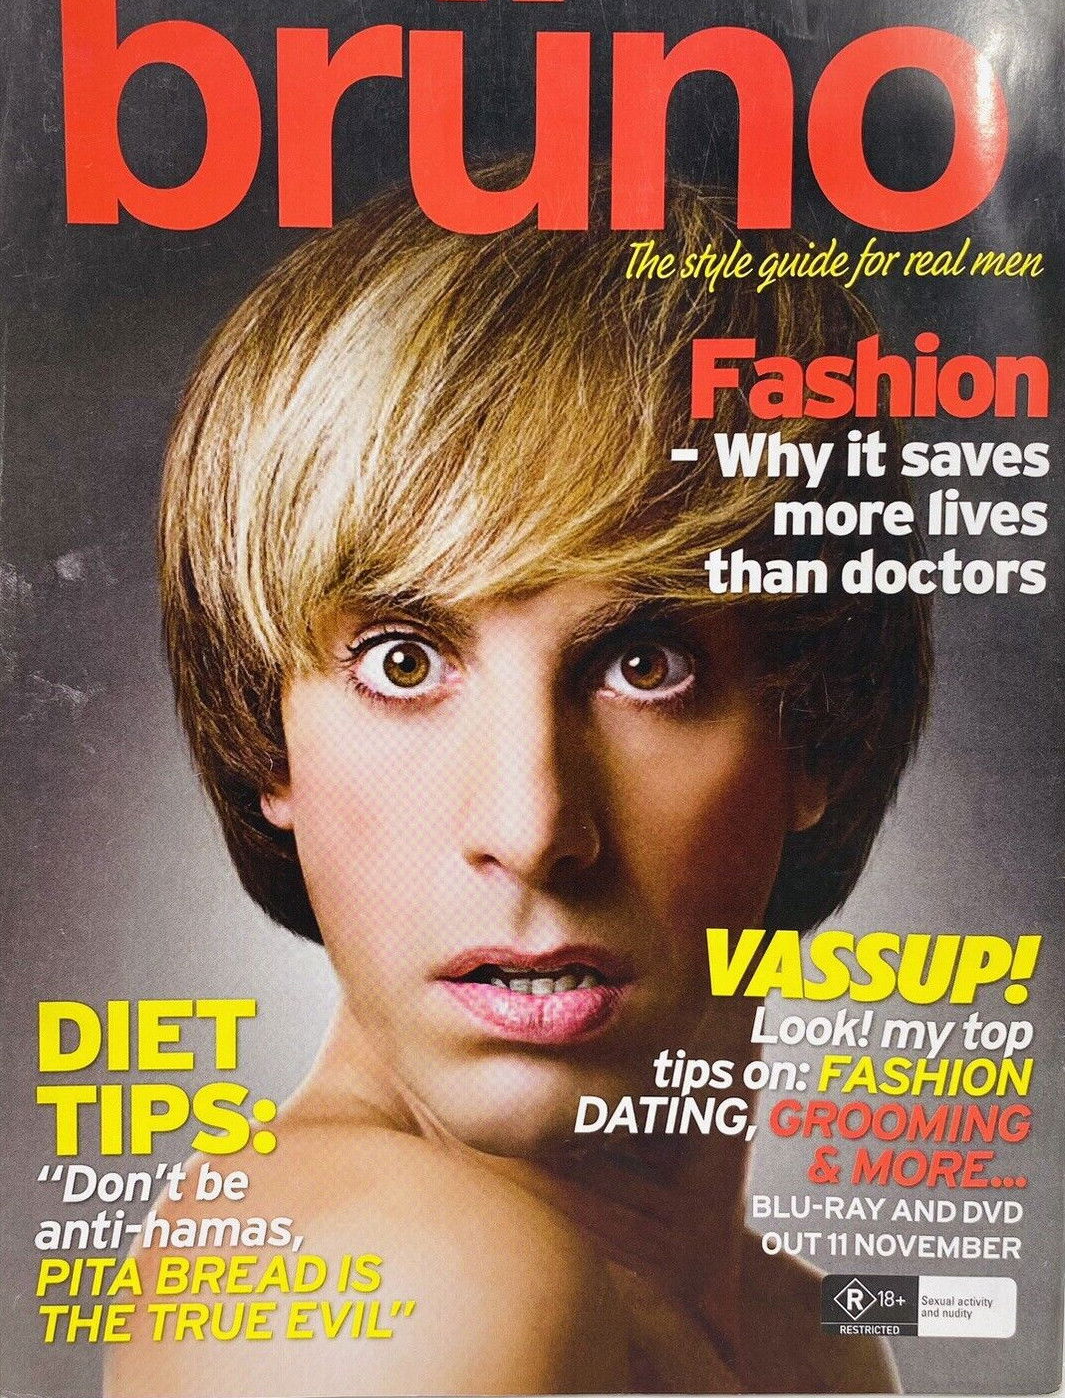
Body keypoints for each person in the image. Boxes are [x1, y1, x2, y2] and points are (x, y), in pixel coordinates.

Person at [110, 174, 930, 1396]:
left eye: (646, 665)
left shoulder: (813, 1338)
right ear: (259, 737)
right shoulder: (428, 1292)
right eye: (402, 663)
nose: (532, 826)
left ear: (821, 729)